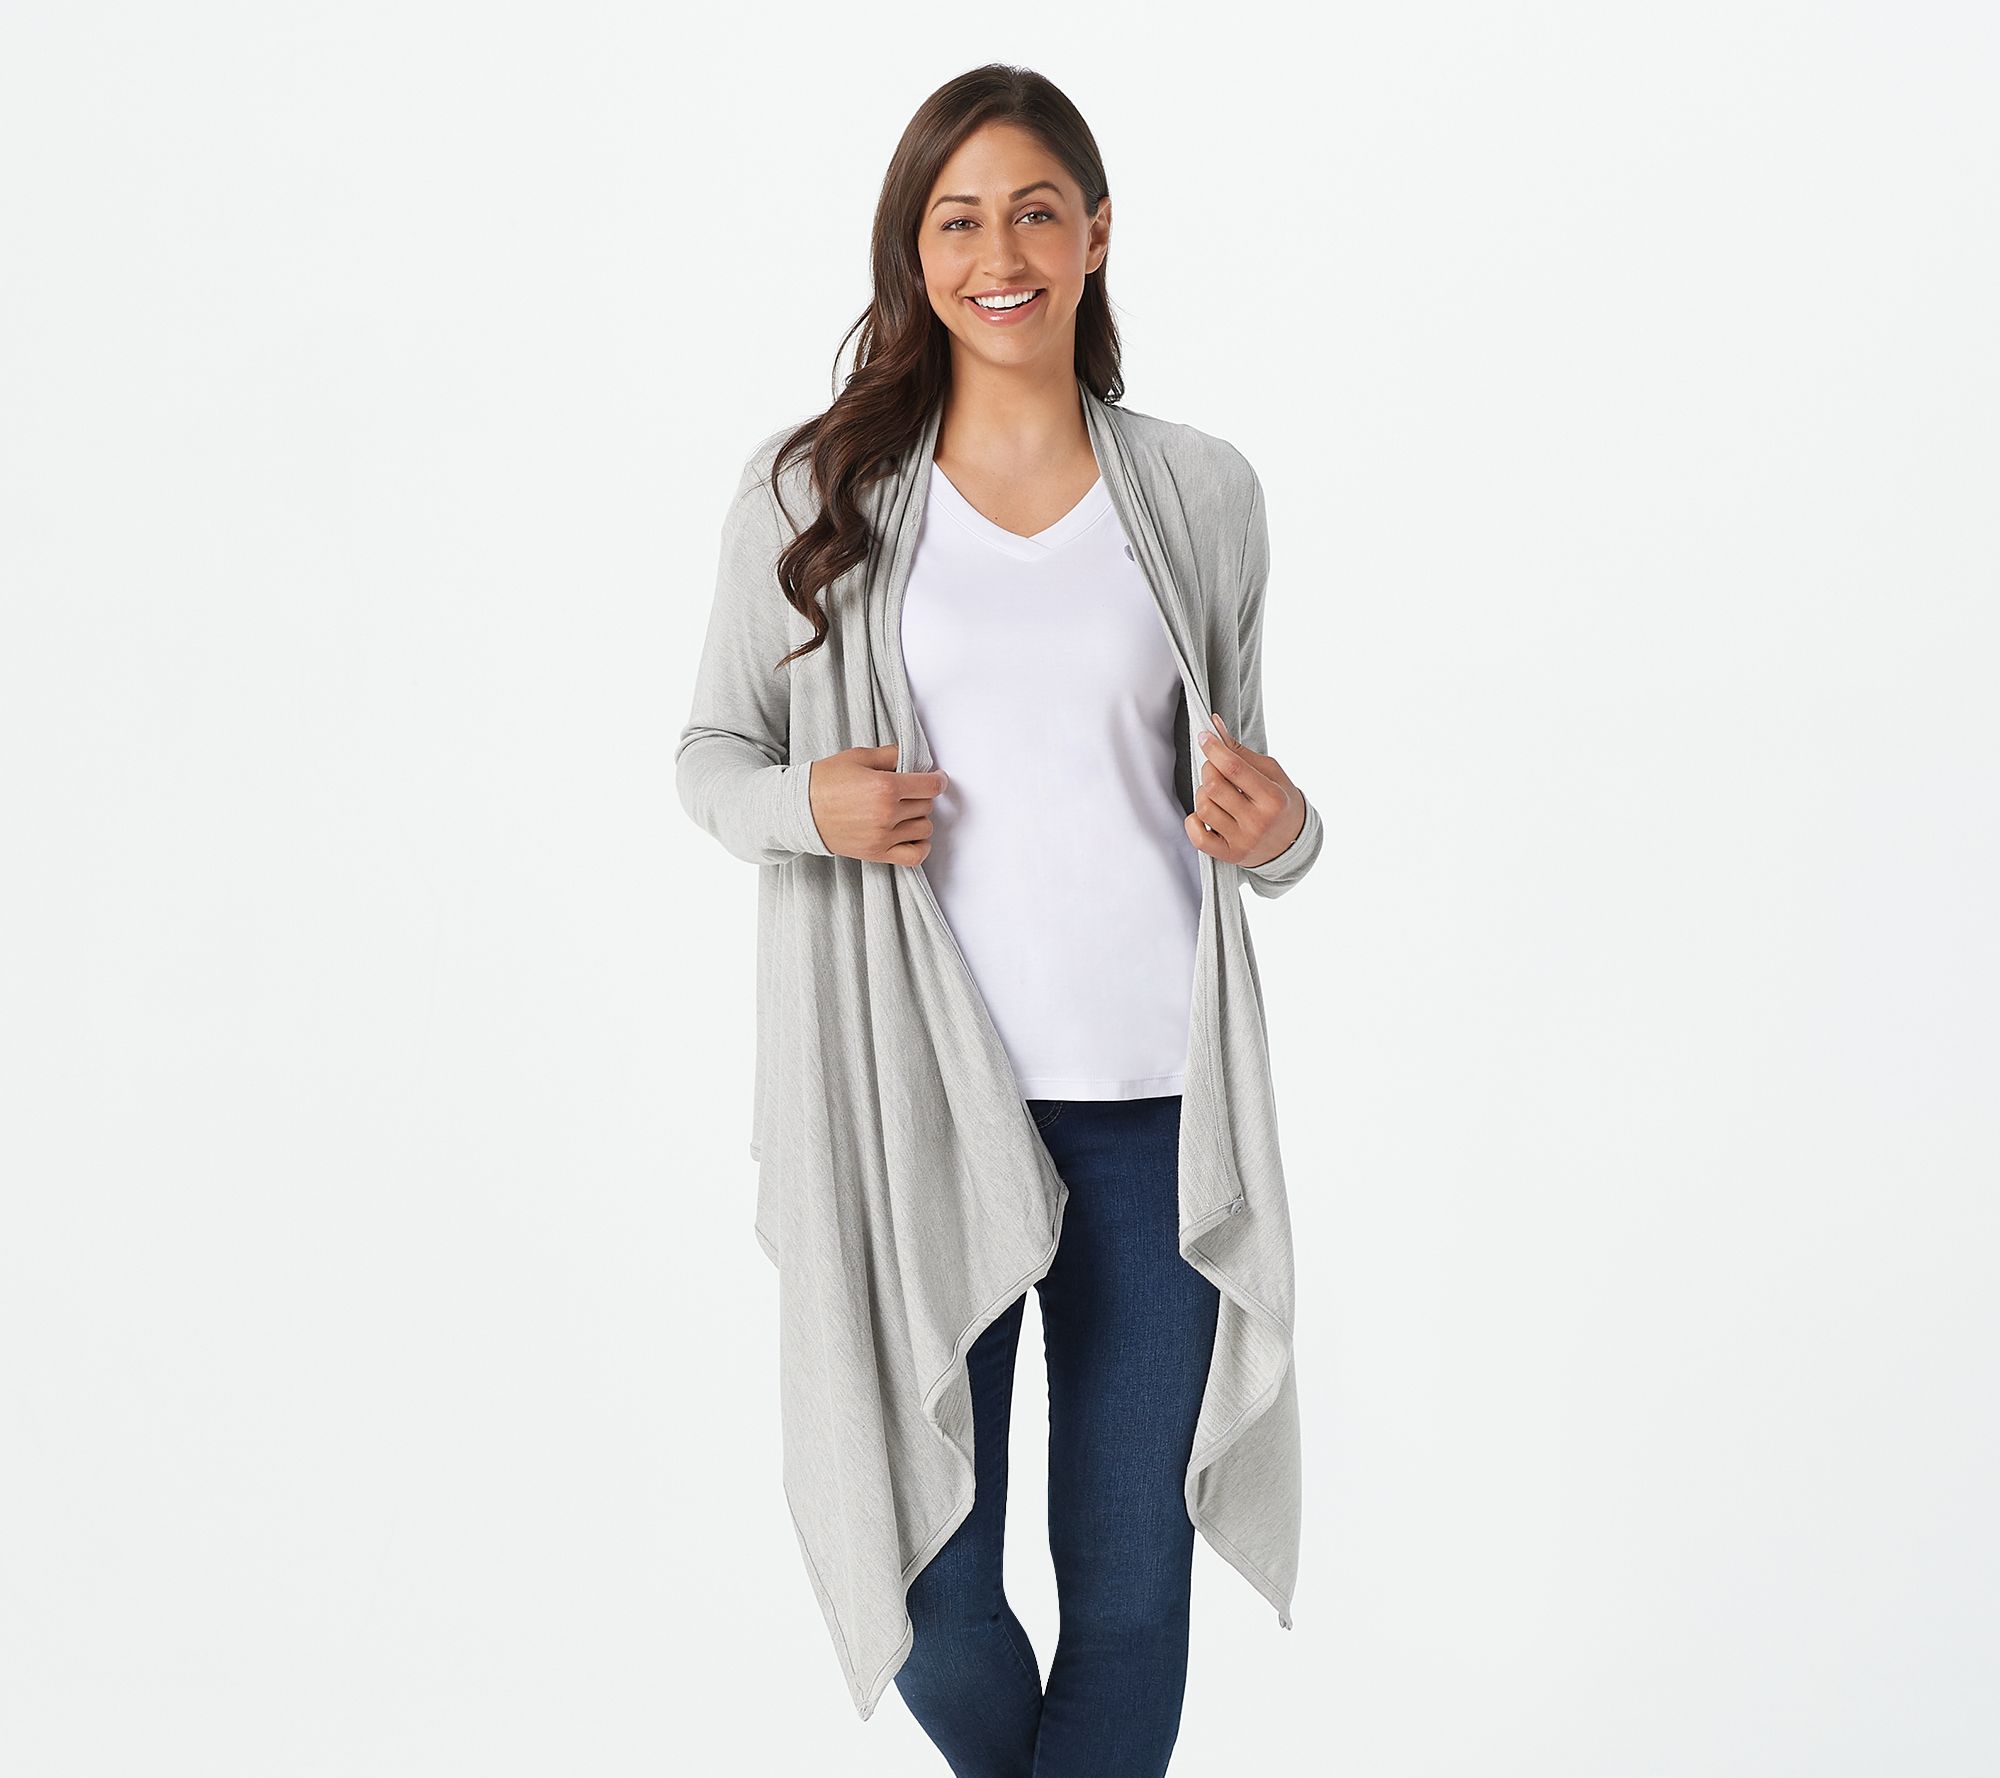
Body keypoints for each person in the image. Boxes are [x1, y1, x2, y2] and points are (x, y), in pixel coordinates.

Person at [676, 63, 1324, 1776]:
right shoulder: (811, 494)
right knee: (935, 1592)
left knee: (1131, 1593)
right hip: (914, 1112)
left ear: (1097, 234)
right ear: (915, 251)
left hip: (1153, 1113)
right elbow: (710, 756)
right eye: (957, 220)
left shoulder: (1201, 492)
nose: (1000, 253)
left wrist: (1286, 831)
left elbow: (1247, 792)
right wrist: (807, 807)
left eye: (1036, 212)